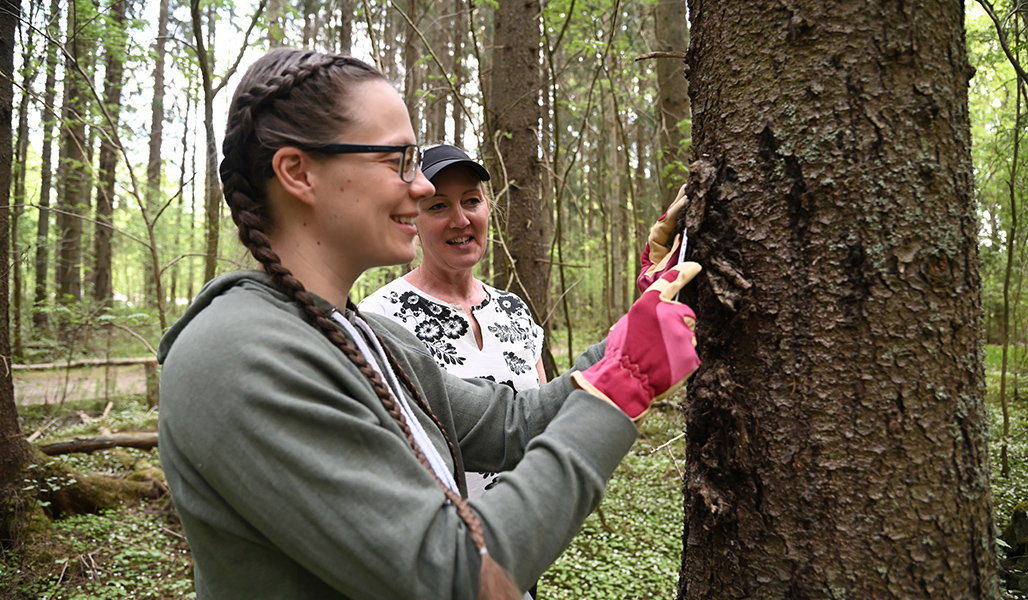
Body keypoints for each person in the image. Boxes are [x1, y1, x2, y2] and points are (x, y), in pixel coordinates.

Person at [157, 47, 701, 600]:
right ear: (298, 172)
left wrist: (639, 326)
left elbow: (511, 424)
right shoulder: (240, 355)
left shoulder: (363, 336)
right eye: (398, 162)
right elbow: (454, 575)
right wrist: (622, 386)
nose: (420, 189)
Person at [359, 144, 545, 500]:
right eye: (438, 205)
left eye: (471, 201)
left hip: (524, 532)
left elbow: (540, 421)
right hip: (442, 540)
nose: (460, 220)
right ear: (413, 218)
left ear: (488, 208)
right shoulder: (380, 317)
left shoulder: (515, 311)